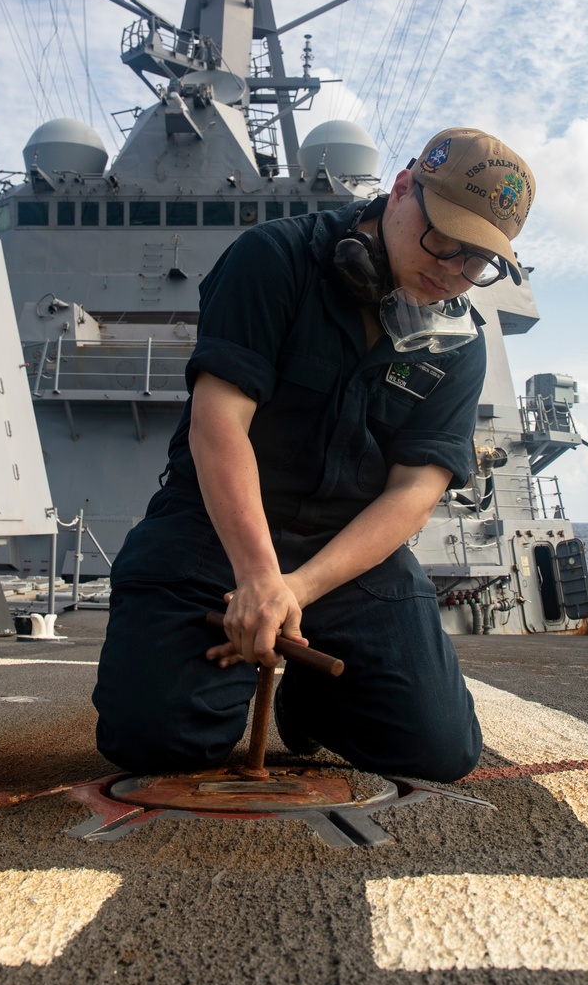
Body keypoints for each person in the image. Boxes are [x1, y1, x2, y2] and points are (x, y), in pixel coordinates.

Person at [93, 127, 535, 781]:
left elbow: (414, 491)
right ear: (403, 188)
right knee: (156, 745)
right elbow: (219, 427)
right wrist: (258, 576)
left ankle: (315, 700)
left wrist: (294, 589)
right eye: (442, 237)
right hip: (212, 531)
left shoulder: (458, 345)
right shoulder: (274, 260)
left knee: (439, 752)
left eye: (478, 260)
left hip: (346, 552)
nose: (451, 270)